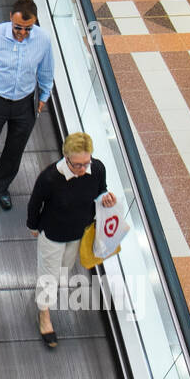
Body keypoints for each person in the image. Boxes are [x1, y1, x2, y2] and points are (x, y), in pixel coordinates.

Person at [27, 132, 117, 348]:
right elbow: (35, 203)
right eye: (77, 165)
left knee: (64, 270)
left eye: (86, 163)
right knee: (48, 275)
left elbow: (100, 189)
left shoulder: (97, 168)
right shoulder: (50, 178)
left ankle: (45, 293)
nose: (83, 169)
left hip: (79, 232)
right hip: (54, 234)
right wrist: (33, 225)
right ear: (66, 157)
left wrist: (105, 198)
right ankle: (44, 313)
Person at [0, 0, 54, 212]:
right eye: (18, 28)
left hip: (25, 103)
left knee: (16, 149)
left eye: (28, 28)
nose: (22, 33)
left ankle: (1, 184)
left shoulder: (43, 40)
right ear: (10, 19)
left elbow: (46, 70)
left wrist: (44, 95)